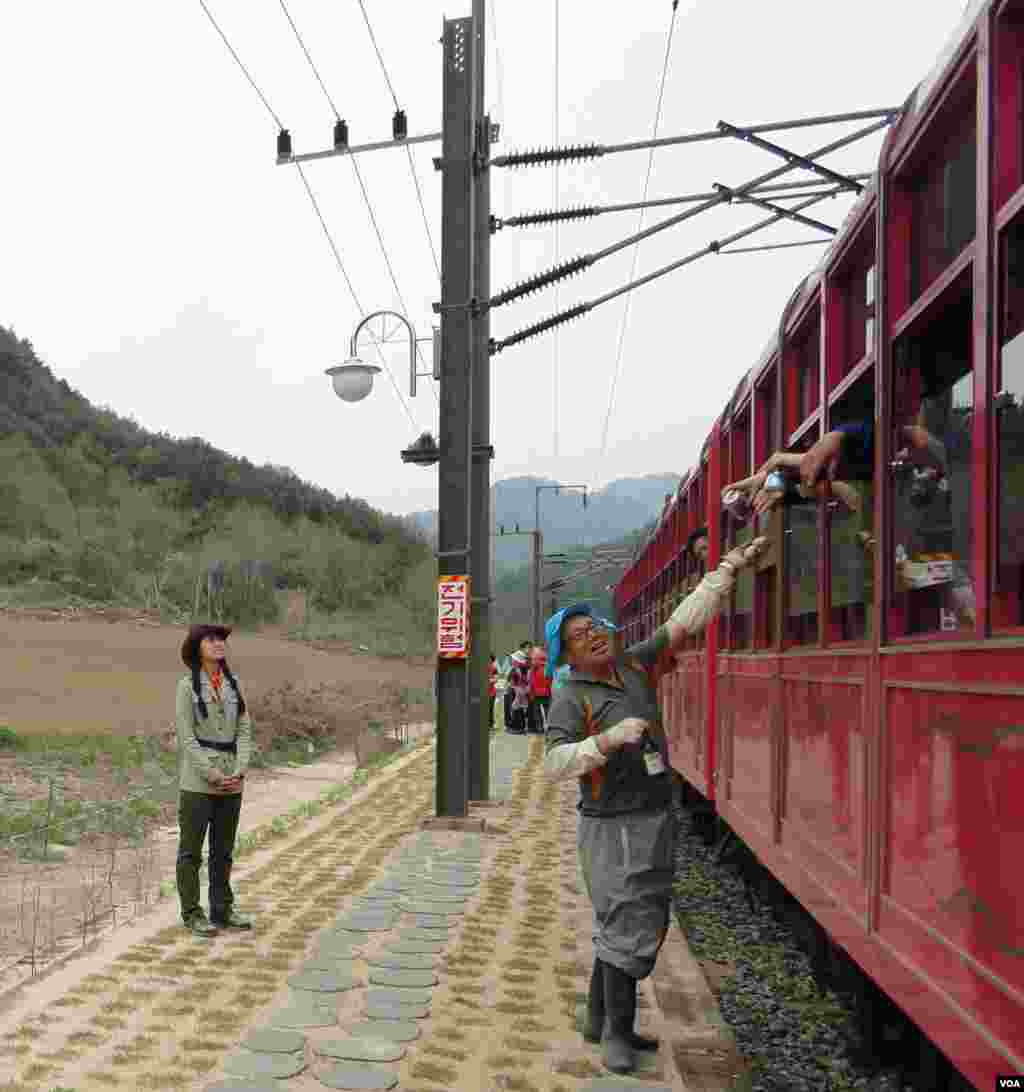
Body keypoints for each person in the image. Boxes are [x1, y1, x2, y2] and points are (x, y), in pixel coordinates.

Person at [543, 535, 767, 1074]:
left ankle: (598, 1018)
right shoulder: (572, 696)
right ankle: (617, 1035)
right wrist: (606, 741)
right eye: (578, 637)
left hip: (651, 814)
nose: (592, 636)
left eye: (593, 626)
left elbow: (686, 621)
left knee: (627, 918)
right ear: (567, 656)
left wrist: (729, 568)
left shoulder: (635, 665)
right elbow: (554, 763)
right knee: (628, 921)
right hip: (611, 823)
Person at [175, 623, 253, 936]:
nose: (218, 644)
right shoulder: (186, 687)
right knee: (191, 851)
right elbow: (186, 737)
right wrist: (212, 774)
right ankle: (192, 913)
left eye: (221, 639)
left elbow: (245, 730)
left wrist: (239, 769)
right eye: (211, 639)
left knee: (223, 850)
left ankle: (222, 909)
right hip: (198, 782)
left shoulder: (235, 685)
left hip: (232, 781)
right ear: (197, 647)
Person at [507, 641, 532, 734]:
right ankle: (514, 727)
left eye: (530, 648)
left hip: (524, 686)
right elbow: (512, 672)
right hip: (516, 686)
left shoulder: (527, 659)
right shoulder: (514, 657)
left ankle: (521, 727)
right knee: (516, 706)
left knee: (522, 706)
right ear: (523, 648)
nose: (529, 650)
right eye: (528, 648)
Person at [528, 645, 551, 734]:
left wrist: (531, 693)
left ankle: (540, 728)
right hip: (546, 693)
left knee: (537, 713)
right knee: (547, 712)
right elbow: (550, 681)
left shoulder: (534, 669)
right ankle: (549, 728)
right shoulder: (547, 668)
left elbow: (531, 682)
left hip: (537, 693)